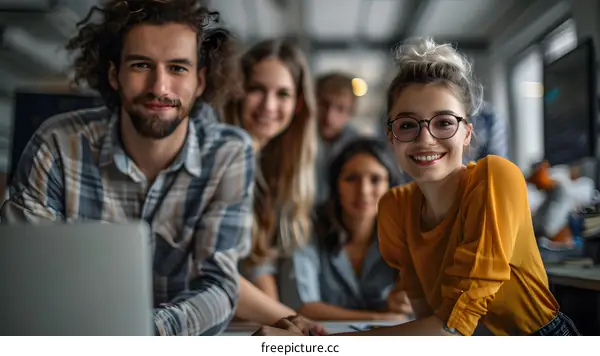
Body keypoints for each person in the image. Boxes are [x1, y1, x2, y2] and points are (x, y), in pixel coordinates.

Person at [253, 37, 580, 336]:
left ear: (467, 133)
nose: (425, 139)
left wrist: (321, 344)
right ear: (390, 136)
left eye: (444, 123)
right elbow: (427, 320)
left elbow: (452, 328)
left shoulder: (495, 177)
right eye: (407, 124)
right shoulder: (395, 207)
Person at [1, 0, 254, 336]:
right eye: (140, 65)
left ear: (201, 81)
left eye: (178, 68)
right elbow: (27, 275)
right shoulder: (58, 144)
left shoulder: (229, 153)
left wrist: (142, 334)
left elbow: (220, 286)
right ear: (113, 74)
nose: (159, 88)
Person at [222, 38, 320, 326]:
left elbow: (257, 259)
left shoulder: (268, 163)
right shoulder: (224, 155)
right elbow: (213, 271)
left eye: (283, 94)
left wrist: (284, 321)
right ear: (237, 92)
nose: (269, 105)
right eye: (257, 90)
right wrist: (289, 318)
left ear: (298, 104)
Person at [282, 138, 412, 321]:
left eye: (375, 179)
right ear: (336, 186)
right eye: (351, 179)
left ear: (390, 187)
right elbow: (303, 307)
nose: (364, 191)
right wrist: (378, 317)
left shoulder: (406, 235)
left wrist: (408, 301)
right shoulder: (307, 229)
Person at [314, 72, 361, 205]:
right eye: (323, 105)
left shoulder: (359, 148)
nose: (329, 116)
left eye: (340, 108)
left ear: (350, 112)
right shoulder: (294, 142)